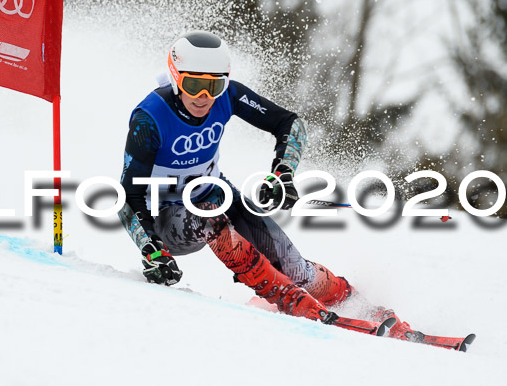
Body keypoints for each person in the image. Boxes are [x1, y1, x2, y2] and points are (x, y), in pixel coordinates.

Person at [117, 30, 354, 323]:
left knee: (294, 266)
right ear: (176, 77)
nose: (204, 98)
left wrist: (283, 173)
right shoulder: (150, 118)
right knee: (210, 218)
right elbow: (128, 196)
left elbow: (290, 124)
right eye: (193, 85)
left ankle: (349, 298)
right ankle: (288, 299)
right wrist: (152, 250)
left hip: (216, 194)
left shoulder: (228, 96)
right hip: (168, 219)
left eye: (214, 86)